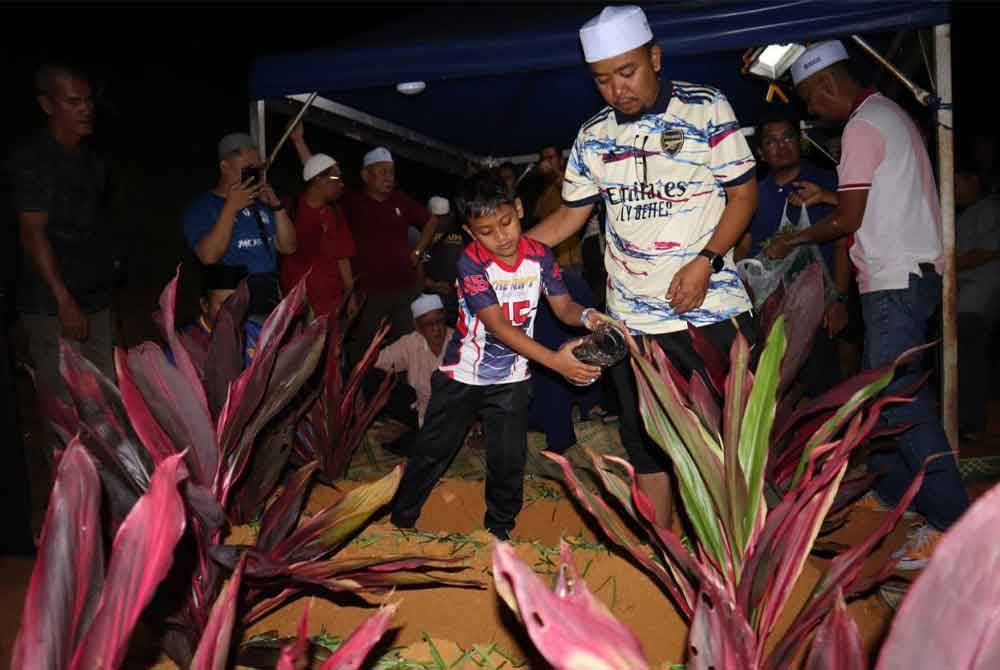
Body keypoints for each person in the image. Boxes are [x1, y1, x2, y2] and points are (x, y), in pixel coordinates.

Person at [527, 5, 758, 528]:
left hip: (711, 312)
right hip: (633, 324)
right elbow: (567, 217)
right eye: (602, 80)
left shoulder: (705, 109)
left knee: (727, 439)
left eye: (627, 73)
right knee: (645, 440)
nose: (616, 90)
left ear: (654, 57)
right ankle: (665, 549)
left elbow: (743, 196)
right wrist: (499, 254)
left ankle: (732, 545)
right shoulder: (592, 136)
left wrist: (705, 260)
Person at [770, 40, 970, 568]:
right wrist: (828, 197)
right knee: (878, 400)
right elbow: (877, 198)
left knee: (900, 402)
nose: (813, 112)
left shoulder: (860, 127)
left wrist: (793, 239)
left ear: (827, 85)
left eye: (811, 101)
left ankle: (952, 521)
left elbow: (848, 223)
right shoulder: (890, 115)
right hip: (910, 279)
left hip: (892, 283)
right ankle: (896, 494)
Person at [389, 172, 606, 540]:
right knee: (432, 450)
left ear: (519, 209)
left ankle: (498, 531)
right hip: (463, 375)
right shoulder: (470, 264)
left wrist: (587, 316)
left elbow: (564, 305)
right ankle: (400, 521)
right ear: (472, 233)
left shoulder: (540, 256)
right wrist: (556, 362)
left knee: (509, 460)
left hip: (512, 379)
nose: (501, 236)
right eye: (487, 231)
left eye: (507, 222)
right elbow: (500, 328)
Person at [8, 64, 117, 419]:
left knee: (107, 398)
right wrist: (63, 300)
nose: (86, 109)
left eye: (88, 100)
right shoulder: (32, 161)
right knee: (64, 409)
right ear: (47, 105)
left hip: (95, 297)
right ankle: (68, 473)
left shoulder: (92, 160)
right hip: (52, 305)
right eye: (74, 101)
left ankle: (109, 474)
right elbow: (31, 233)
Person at [289, 125, 439, 363]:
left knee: (410, 348)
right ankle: (363, 396)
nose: (389, 178)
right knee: (365, 352)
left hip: (404, 290)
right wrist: (299, 143)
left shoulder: (401, 201)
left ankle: (411, 394)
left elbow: (431, 221)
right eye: (382, 172)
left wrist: (418, 251)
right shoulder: (351, 200)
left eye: (391, 172)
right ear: (365, 175)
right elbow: (319, 177)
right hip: (369, 293)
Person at [738, 108, 853, 396]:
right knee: (773, 389)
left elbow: (841, 242)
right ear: (761, 152)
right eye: (772, 141)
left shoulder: (824, 182)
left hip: (818, 308)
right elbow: (743, 248)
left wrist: (839, 299)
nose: (781, 146)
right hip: (769, 310)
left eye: (787, 137)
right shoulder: (753, 194)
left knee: (822, 388)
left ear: (799, 140)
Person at [182, 133, 297, 318]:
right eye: (247, 169)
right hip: (231, 302)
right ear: (225, 167)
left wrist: (277, 207)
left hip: (268, 298)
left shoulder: (261, 205)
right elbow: (208, 256)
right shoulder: (203, 208)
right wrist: (230, 208)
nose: (253, 176)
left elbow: (289, 247)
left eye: (256, 170)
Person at [370, 293, 455, 455]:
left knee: (424, 449)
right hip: (419, 410)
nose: (437, 329)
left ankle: (410, 435)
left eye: (439, 322)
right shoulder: (410, 343)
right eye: (429, 324)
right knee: (372, 378)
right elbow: (375, 363)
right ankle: (404, 427)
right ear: (418, 327)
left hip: (450, 416)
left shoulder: (460, 343)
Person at [954, 165, 1000, 442]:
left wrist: (944, 264)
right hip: (963, 300)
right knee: (965, 361)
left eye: (957, 183)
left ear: (974, 178)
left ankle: (971, 424)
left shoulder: (990, 209)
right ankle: (966, 420)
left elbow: (987, 250)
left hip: (979, 299)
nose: (953, 190)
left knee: (971, 361)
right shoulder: (967, 214)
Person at [280, 153, 356, 318]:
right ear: (318, 180)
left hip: (332, 307)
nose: (342, 184)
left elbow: (343, 256)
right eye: (337, 179)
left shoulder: (335, 213)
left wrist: (351, 296)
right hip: (298, 308)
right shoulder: (289, 209)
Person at [533, 146, 584, 274]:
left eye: (550, 158)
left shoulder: (569, 181)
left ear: (561, 161)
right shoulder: (541, 191)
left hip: (569, 260)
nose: (546, 162)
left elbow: (573, 192)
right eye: (543, 159)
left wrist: (555, 171)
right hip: (549, 260)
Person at [422, 195, 468, 326]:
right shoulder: (418, 235)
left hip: (455, 297)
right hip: (428, 296)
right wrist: (431, 285)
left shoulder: (460, 236)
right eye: (435, 217)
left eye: (444, 217)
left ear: (451, 216)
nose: (440, 221)